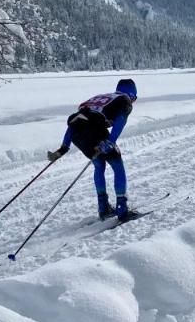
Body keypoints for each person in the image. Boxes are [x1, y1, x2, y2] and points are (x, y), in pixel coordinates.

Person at [48, 78, 138, 221]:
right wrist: (110, 142)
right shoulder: (124, 100)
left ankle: (103, 209)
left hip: (77, 135)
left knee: (99, 165)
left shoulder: (100, 98)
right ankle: (122, 210)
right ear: (133, 96)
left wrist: (63, 148)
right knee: (117, 166)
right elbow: (121, 120)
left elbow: (75, 122)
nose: (133, 103)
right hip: (95, 130)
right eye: (134, 99)